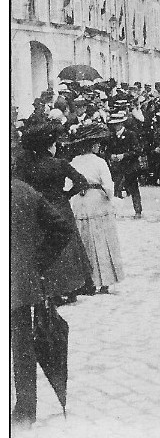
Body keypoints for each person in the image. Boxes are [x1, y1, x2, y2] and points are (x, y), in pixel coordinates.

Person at [11, 179, 80, 428]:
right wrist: (36, 263)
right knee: (22, 347)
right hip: (17, 283)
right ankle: (25, 411)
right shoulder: (22, 189)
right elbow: (62, 229)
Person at [13, 121, 93, 304]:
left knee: (45, 245)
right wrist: (66, 194)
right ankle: (71, 288)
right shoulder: (60, 164)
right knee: (67, 247)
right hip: (61, 206)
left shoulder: (27, 166)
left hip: (40, 209)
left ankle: (51, 289)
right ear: (50, 147)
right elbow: (82, 182)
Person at [68, 124, 124, 294]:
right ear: (92, 145)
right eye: (97, 143)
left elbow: (68, 185)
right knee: (101, 241)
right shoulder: (100, 162)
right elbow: (108, 186)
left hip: (80, 202)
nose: (99, 146)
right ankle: (104, 281)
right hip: (97, 201)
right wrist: (109, 197)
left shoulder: (74, 162)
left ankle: (86, 282)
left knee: (84, 241)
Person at [107, 112, 144, 218]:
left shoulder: (131, 135)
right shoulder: (111, 136)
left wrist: (124, 155)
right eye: (114, 124)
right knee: (116, 188)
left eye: (117, 124)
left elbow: (137, 151)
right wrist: (111, 156)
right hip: (117, 167)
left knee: (133, 189)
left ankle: (138, 211)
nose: (115, 126)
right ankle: (115, 211)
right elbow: (107, 151)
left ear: (122, 124)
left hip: (130, 166)